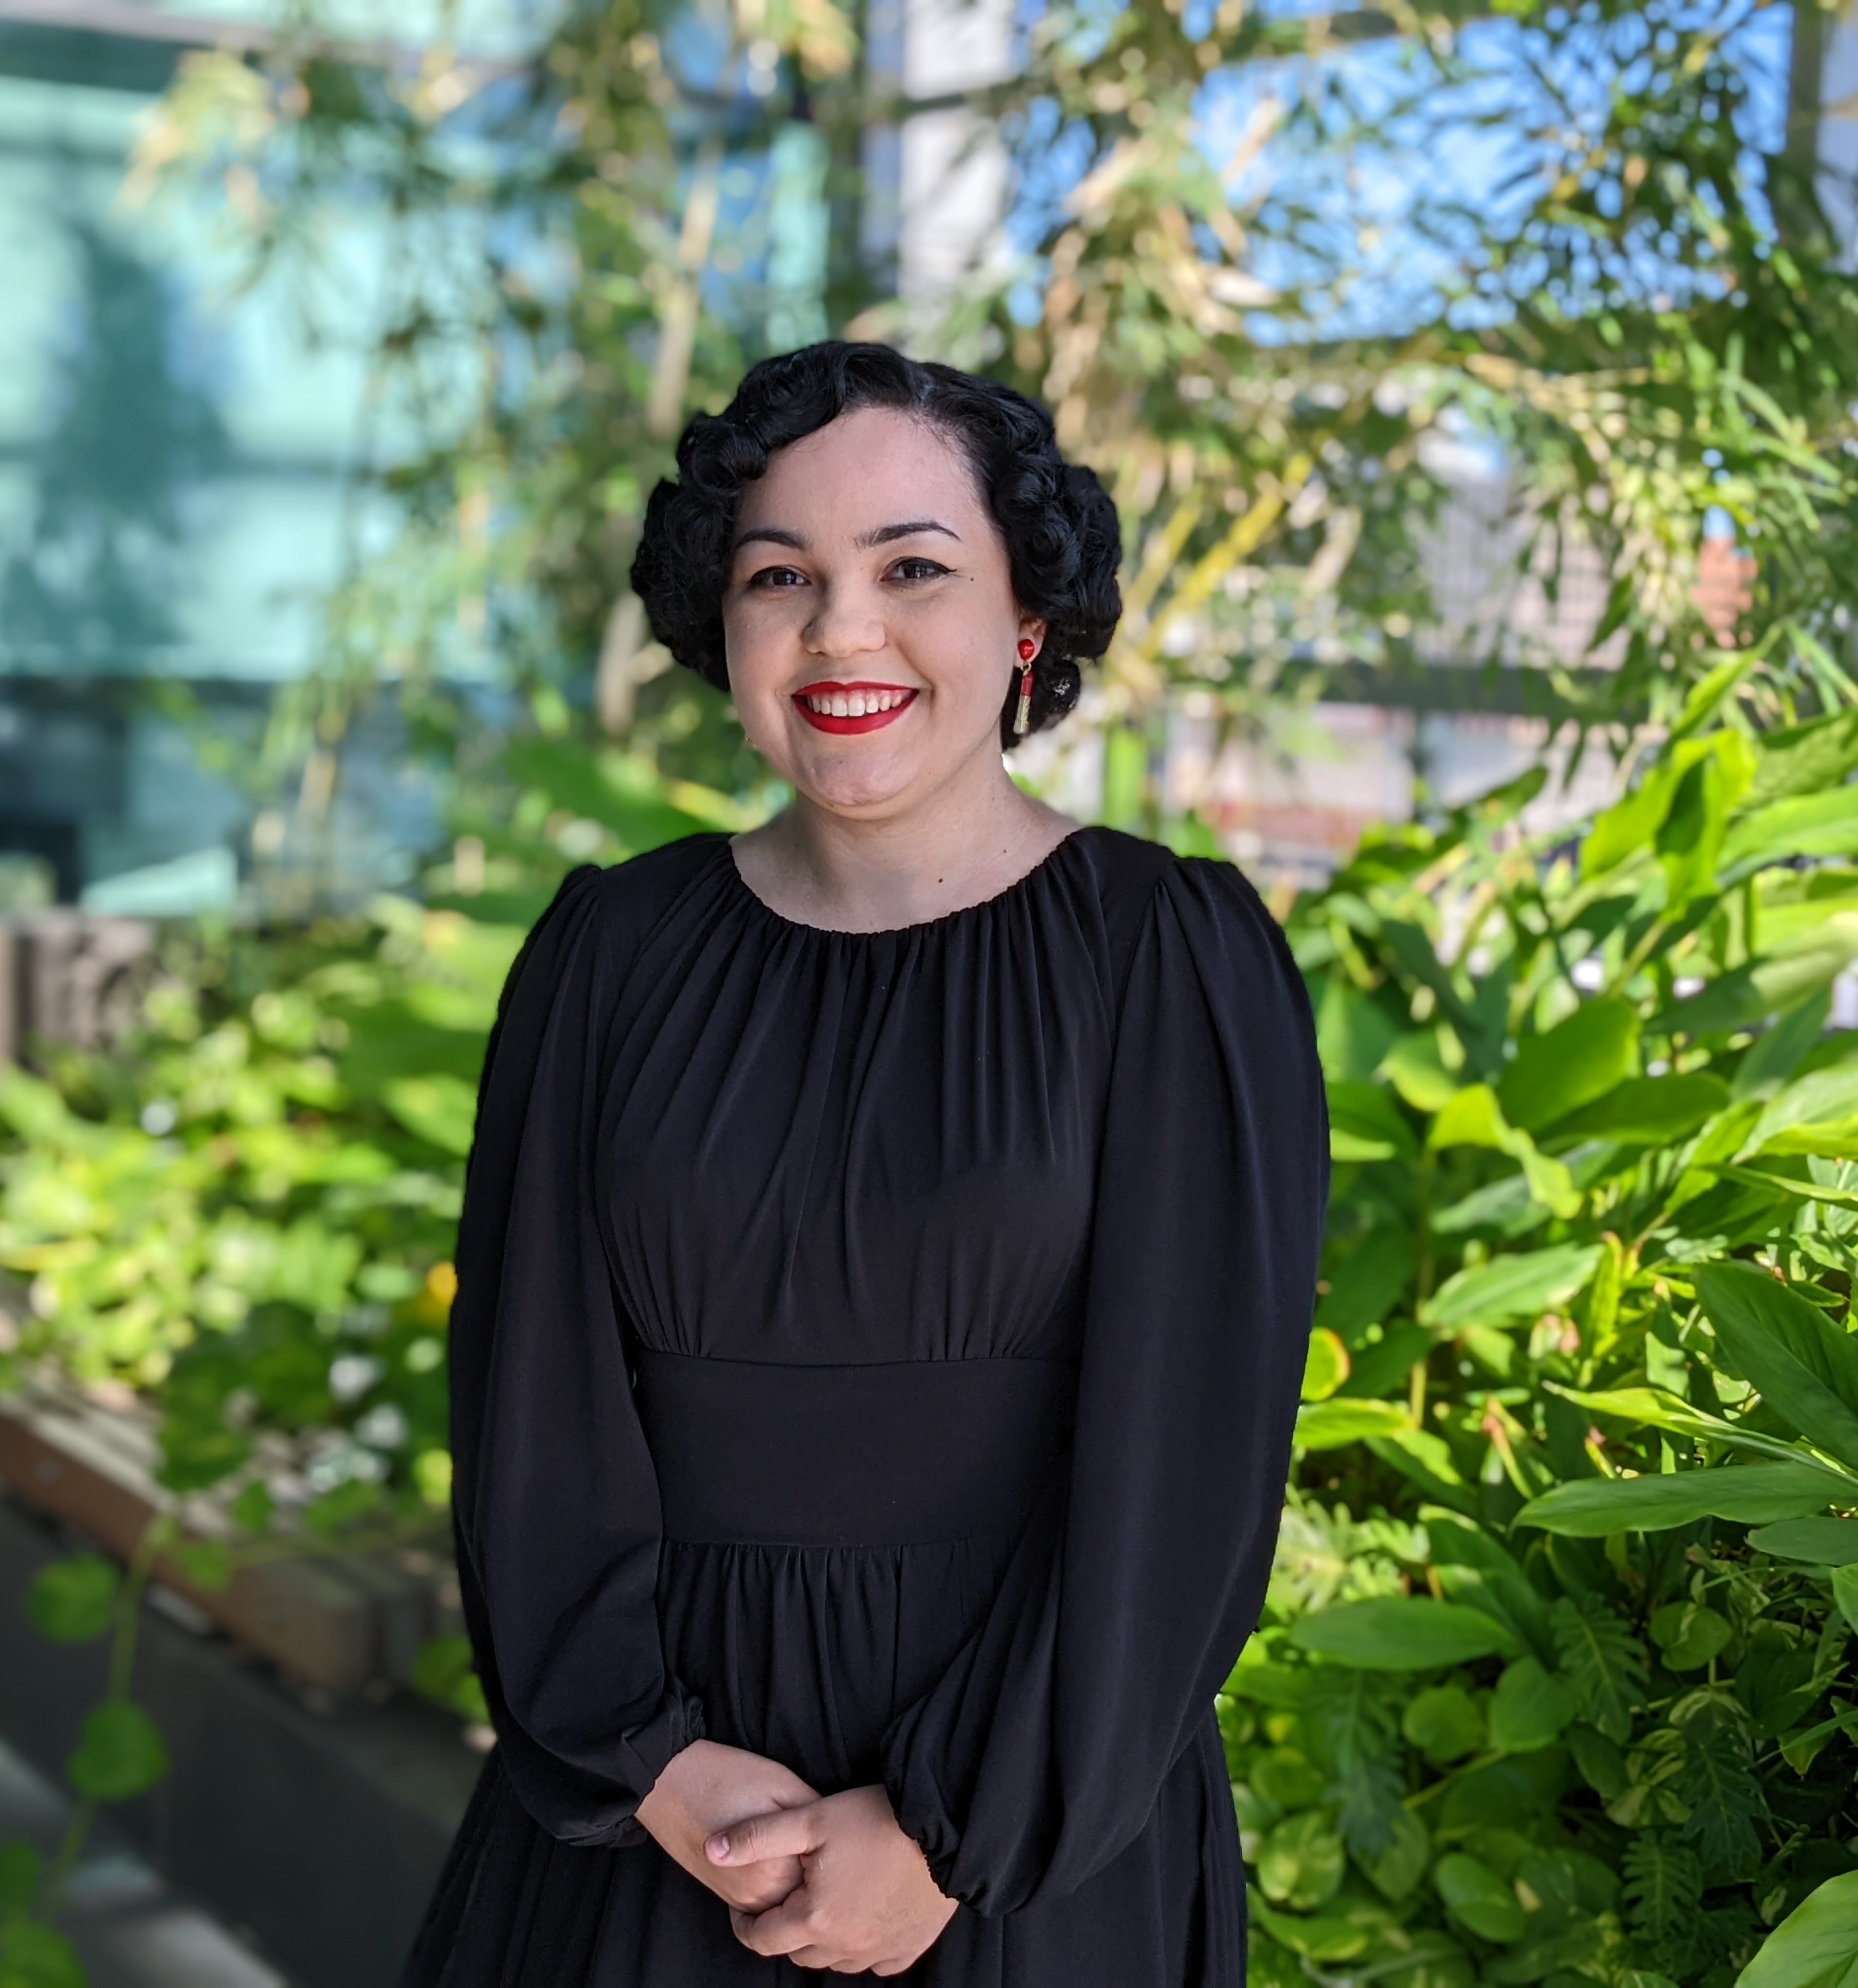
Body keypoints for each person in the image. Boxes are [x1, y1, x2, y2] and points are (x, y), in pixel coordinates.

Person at [400, 343, 1328, 1985]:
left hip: (1026, 1844)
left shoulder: (1164, 956)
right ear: (726, 630)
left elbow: (1190, 1467)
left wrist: (949, 1833)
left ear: (1024, 620)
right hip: (661, 1823)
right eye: (782, 578)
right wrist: (658, 1771)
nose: (842, 630)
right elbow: (527, 1397)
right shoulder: (609, 952)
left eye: (914, 568)